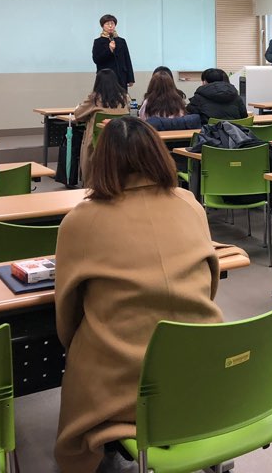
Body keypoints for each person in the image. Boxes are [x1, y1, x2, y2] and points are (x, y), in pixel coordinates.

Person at [54, 117, 222, 473]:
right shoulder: (190, 204)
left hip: (125, 382)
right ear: (159, 155)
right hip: (203, 366)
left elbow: (67, 314)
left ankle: (107, 453)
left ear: (100, 161)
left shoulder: (81, 220)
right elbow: (210, 286)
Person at [73, 69, 130, 185]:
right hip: (121, 143)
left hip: (96, 144)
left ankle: (89, 183)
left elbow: (78, 115)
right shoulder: (125, 98)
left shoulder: (94, 99)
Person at [91, 14, 135, 89]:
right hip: (105, 77)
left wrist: (130, 78)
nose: (110, 26)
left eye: (112, 23)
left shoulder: (121, 41)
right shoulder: (98, 42)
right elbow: (96, 59)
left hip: (121, 77)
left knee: (121, 96)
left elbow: (127, 59)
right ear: (102, 26)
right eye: (107, 24)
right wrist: (109, 50)